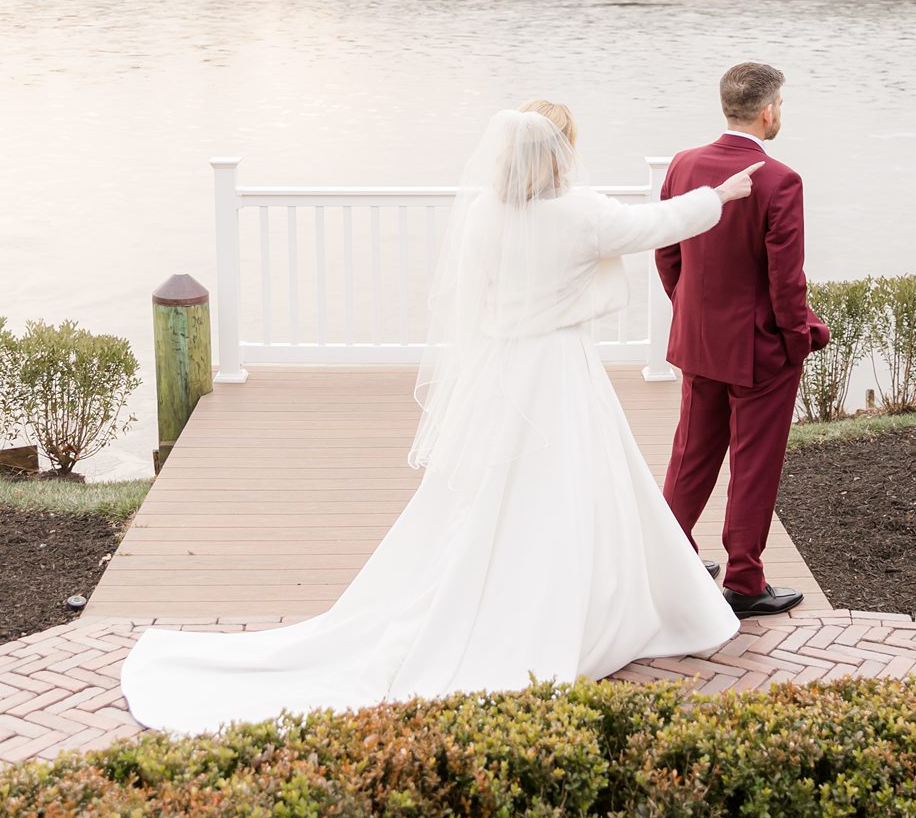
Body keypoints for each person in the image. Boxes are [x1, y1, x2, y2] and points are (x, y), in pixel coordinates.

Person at [120, 101, 758, 732]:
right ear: (564, 152)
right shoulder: (580, 215)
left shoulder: (486, 213)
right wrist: (721, 196)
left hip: (505, 373)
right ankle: (577, 609)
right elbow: (657, 225)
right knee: (571, 490)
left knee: (490, 496)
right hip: (560, 372)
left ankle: (493, 597)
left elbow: (473, 298)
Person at [656, 62, 827, 617]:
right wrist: (799, 339)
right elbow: (786, 280)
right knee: (753, 463)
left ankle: (670, 554)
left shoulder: (683, 165)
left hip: (697, 340)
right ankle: (746, 582)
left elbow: (667, 250)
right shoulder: (780, 179)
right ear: (769, 109)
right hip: (758, 352)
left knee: (691, 452)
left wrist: (689, 310)